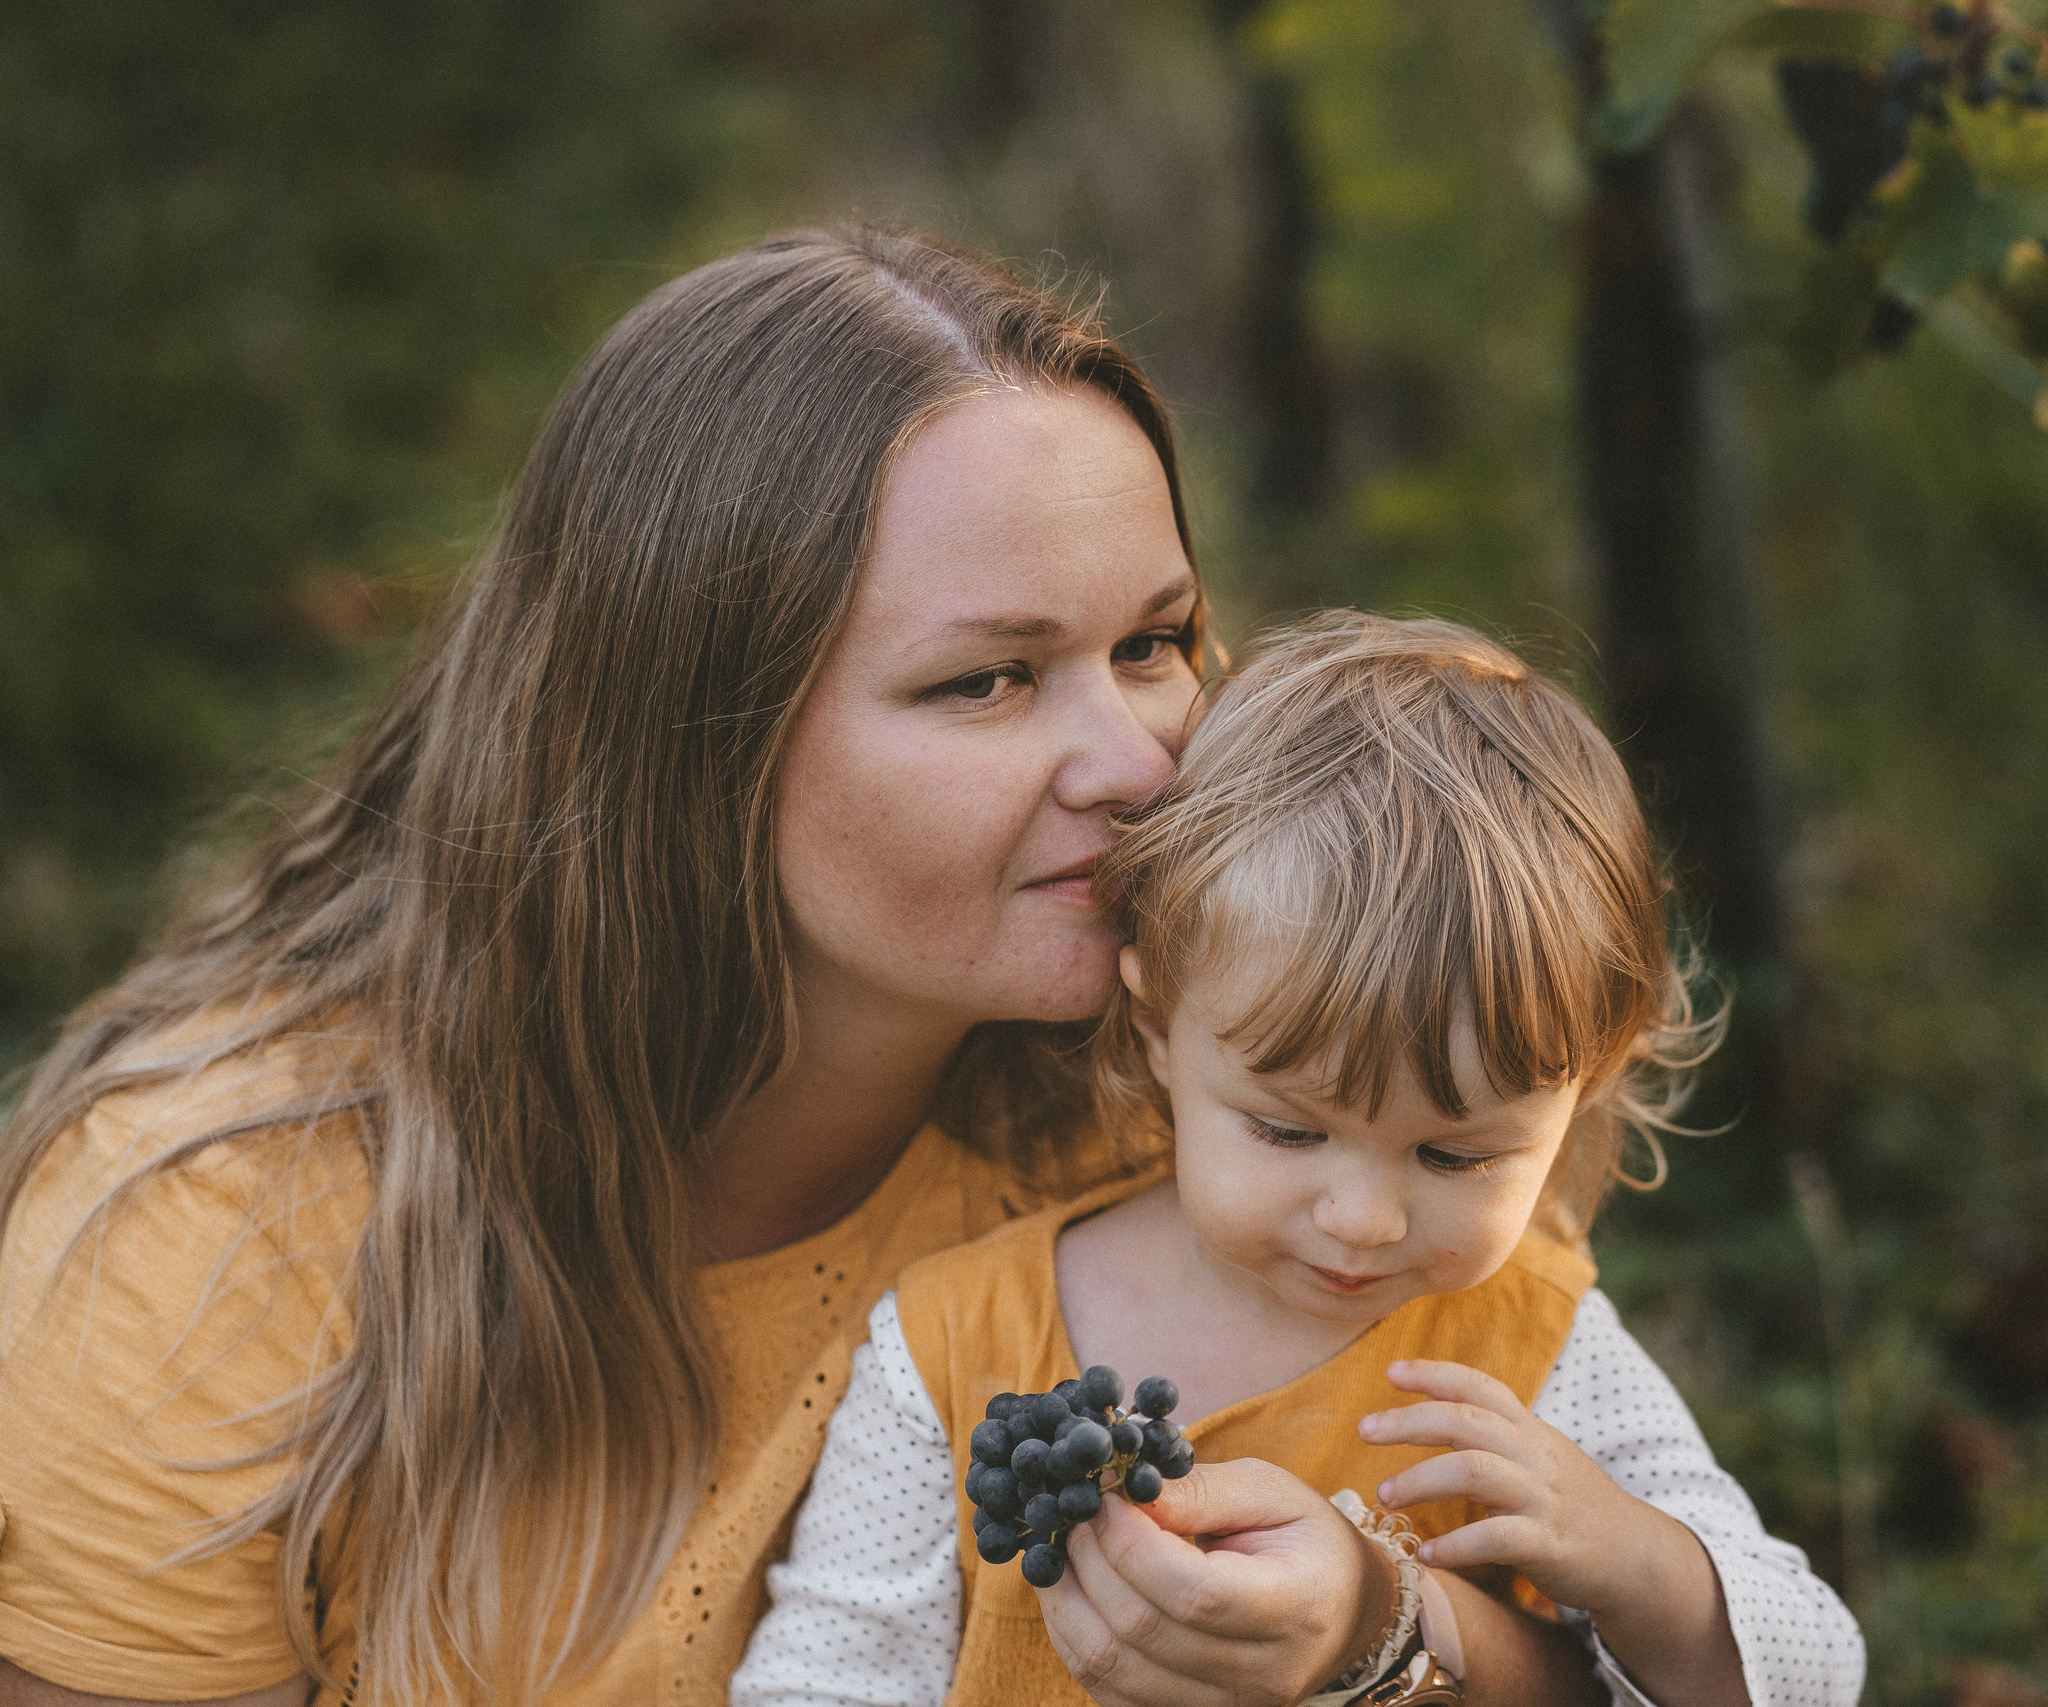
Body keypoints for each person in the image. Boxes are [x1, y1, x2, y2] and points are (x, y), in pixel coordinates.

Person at [0, 232, 1602, 1707]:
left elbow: (1619, 1643)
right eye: (988, 680)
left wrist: (1387, 1629)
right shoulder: (229, 1231)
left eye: (1154, 643)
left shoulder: (1233, 1121)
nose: (1138, 759)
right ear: (685, 733)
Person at [731, 614, 1866, 1707]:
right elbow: (822, 1679)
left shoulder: (1530, 1354)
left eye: (1454, 1154)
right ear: (1158, 1027)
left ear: (1583, 1093)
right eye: (1287, 1130)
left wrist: (1632, 1556)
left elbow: (1815, 1673)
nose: (1363, 1217)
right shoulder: (951, 1345)